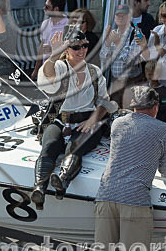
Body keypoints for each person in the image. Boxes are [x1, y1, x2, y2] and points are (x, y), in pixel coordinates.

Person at [94, 86, 166, 251]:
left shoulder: (117, 123)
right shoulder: (164, 129)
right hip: (135, 199)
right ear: (156, 108)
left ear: (133, 106)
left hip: (106, 193)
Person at [32, 29, 118, 208]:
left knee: (74, 148)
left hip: (88, 122)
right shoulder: (60, 67)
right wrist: (53, 56)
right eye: (76, 47)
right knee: (49, 147)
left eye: (85, 46)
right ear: (67, 49)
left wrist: (94, 119)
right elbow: (47, 76)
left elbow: (105, 101)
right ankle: (39, 188)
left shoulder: (94, 72)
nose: (81, 50)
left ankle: (62, 181)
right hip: (60, 120)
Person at [100, 4, 145, 108]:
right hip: (116, 82)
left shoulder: (137, 33)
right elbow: (103, 59)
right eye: (118, 15)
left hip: (131, 82)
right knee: (115, 114)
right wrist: (107, 43)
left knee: (130, 114)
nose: (120, 18)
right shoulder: (112, 33)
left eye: (123, 15)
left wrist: (117, 43)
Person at [31, 0, 68, 79]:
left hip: (61, 72)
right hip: (45, 70)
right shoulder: (45, 24)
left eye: (47, 7)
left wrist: (52, 50)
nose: (44, 8)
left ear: (56, 9)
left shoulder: (68, 25)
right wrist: (36, 70)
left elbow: (70, 50)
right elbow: (41, 48)